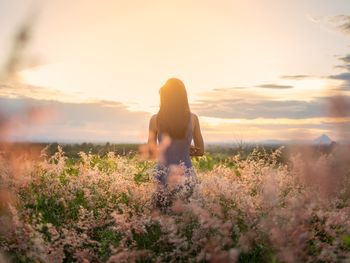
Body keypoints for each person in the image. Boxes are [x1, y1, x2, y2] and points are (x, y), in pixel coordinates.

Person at [148, 78, 204, 187]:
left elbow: (151, 152)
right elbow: (201, 151)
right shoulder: (193, 119)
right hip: (186, 173)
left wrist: (167, 150)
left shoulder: (155, 119)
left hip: (163, 173)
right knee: (188, 202)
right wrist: (184, 149)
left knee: (162, 203)